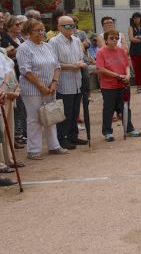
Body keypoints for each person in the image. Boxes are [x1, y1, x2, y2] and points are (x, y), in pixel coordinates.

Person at [17, 19, 68, 160]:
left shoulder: (47, 46)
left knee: (51, 116)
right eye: (37, 30)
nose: (41, 32)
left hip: (50, 88)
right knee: (34, 119)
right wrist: (41, 86)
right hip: (32, 90)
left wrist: (54, 82)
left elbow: (57, 66)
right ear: (28, 32)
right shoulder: (24, 48)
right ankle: (33, 150)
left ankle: (54, 146)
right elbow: (25, 71)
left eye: (42, 29)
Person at [49, 15, 88, 149]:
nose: (71, 27)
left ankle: (73, 135)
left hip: (77, 81)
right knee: (65, 111)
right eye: (67, 25)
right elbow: (54, 63)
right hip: (64, 82)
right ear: (59, 27)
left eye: (73, 25)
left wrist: (80, 63)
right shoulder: (54, 42)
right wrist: (73, 66)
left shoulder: (77, 40)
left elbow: (82, 58)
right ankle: (62, 137)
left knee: (75, 110)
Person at [96, 29, 140, 141]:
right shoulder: (101, 52)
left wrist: (128, 75)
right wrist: (116, 75)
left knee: (125, 108)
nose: (114, 40)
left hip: (123, 84)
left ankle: (129, 129)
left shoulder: (121, 51)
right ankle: (107, 132)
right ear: (106, 40)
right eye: (111, 38)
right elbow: (100, 68)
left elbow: (126, 65)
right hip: (108, 86)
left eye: (116, 38)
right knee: (109, 109)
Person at [1, 15, 27, 147]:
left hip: (14, 77)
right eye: (16, 24)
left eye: (19, 24)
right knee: (16, 107)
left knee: (19, 107)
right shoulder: (6, 38)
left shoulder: (20, 38)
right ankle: (17, 135)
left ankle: (17, 135)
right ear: (9, 26)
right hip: (8, 80)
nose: (19, 26)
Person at [1, 45, 22, 180]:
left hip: (6, 93)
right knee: (0, 129)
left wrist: (13, 90)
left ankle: (9, 158)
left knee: (8, 127)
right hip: (3, 93)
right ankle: (1, 162)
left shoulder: (2, 52)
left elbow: (8, 72)